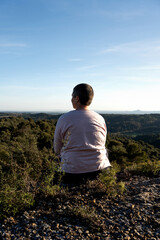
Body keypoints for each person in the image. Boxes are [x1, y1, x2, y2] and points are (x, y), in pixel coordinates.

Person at [53, 83, 110, 183]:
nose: (71, 99)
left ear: (77, 98)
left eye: (72, 96)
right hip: (100, 170)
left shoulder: (64, 118)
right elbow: (102, 144)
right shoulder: (100, 118)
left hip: (72, 172)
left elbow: (57, 149)